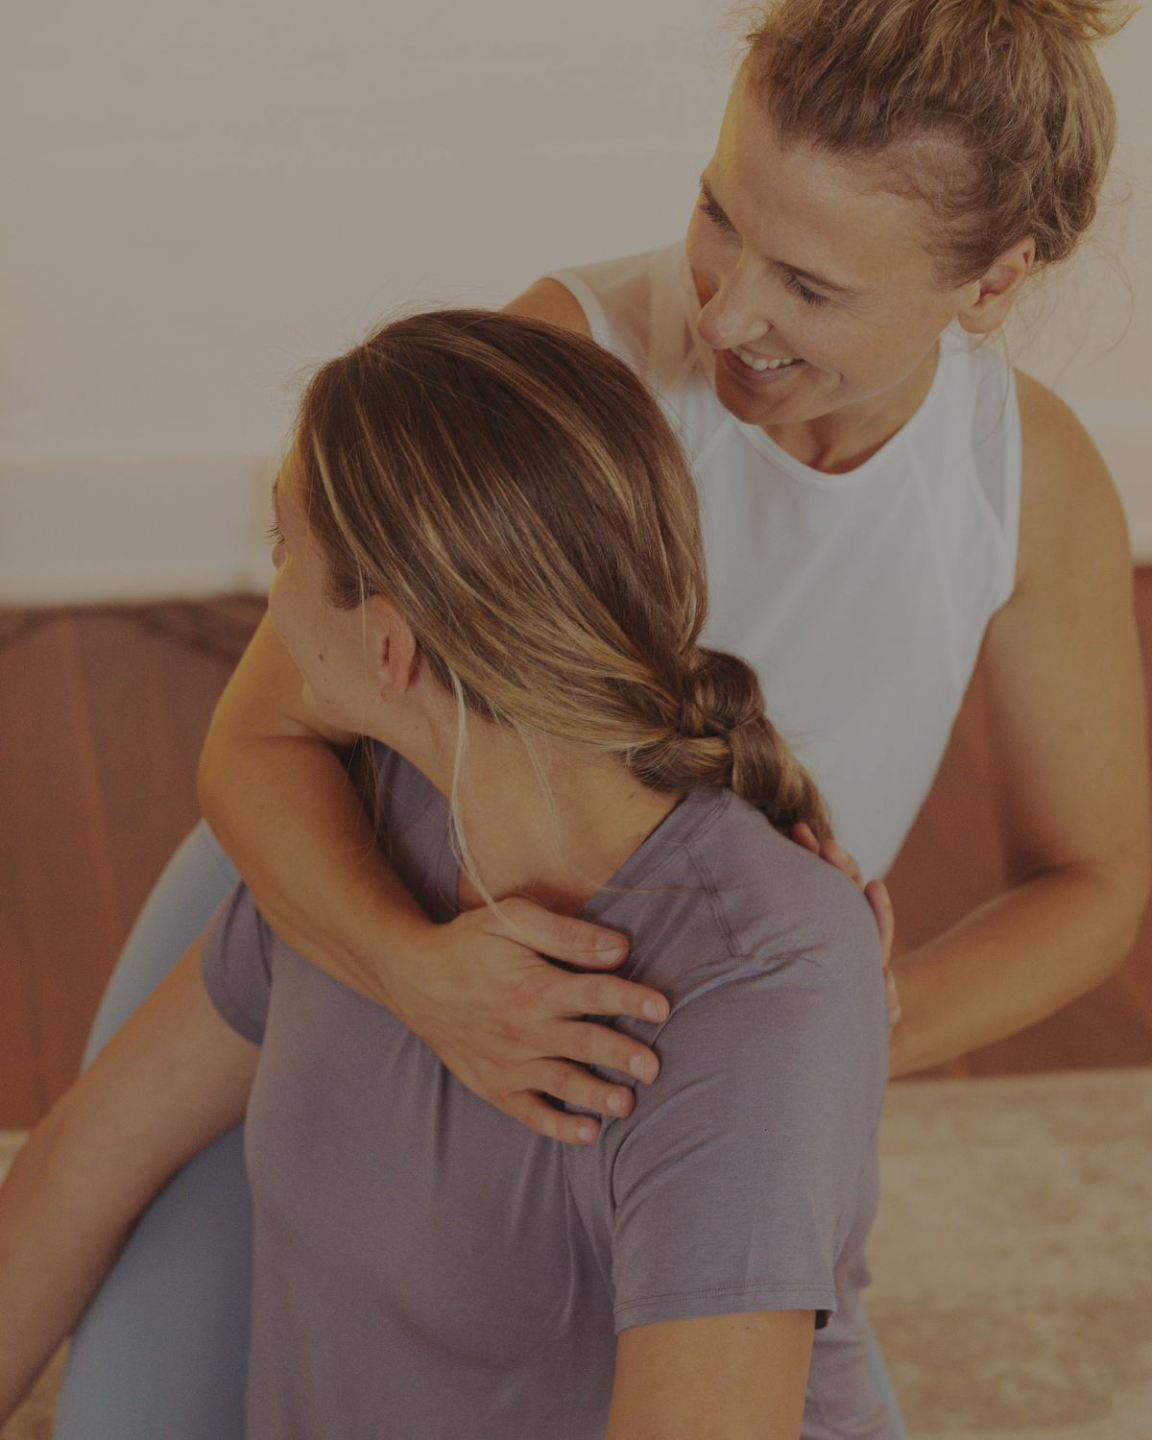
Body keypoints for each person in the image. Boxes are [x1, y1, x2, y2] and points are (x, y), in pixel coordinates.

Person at [48, 0, 1151, 1435]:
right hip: (359, 907)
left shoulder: (1027, 481)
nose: (730, 308)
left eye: (811, 287)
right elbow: (260, 741)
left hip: (706, 1009)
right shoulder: (584, 360)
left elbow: (1096, 884)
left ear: (992, 282)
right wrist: (418, 975)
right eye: (716, 215)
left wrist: (842, 1028)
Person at [3, 307, 896, 1438]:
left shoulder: (744, 999)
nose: (268, 595)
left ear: (387, 648)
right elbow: (79, 1169)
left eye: (285, 551)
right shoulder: (366, 831)